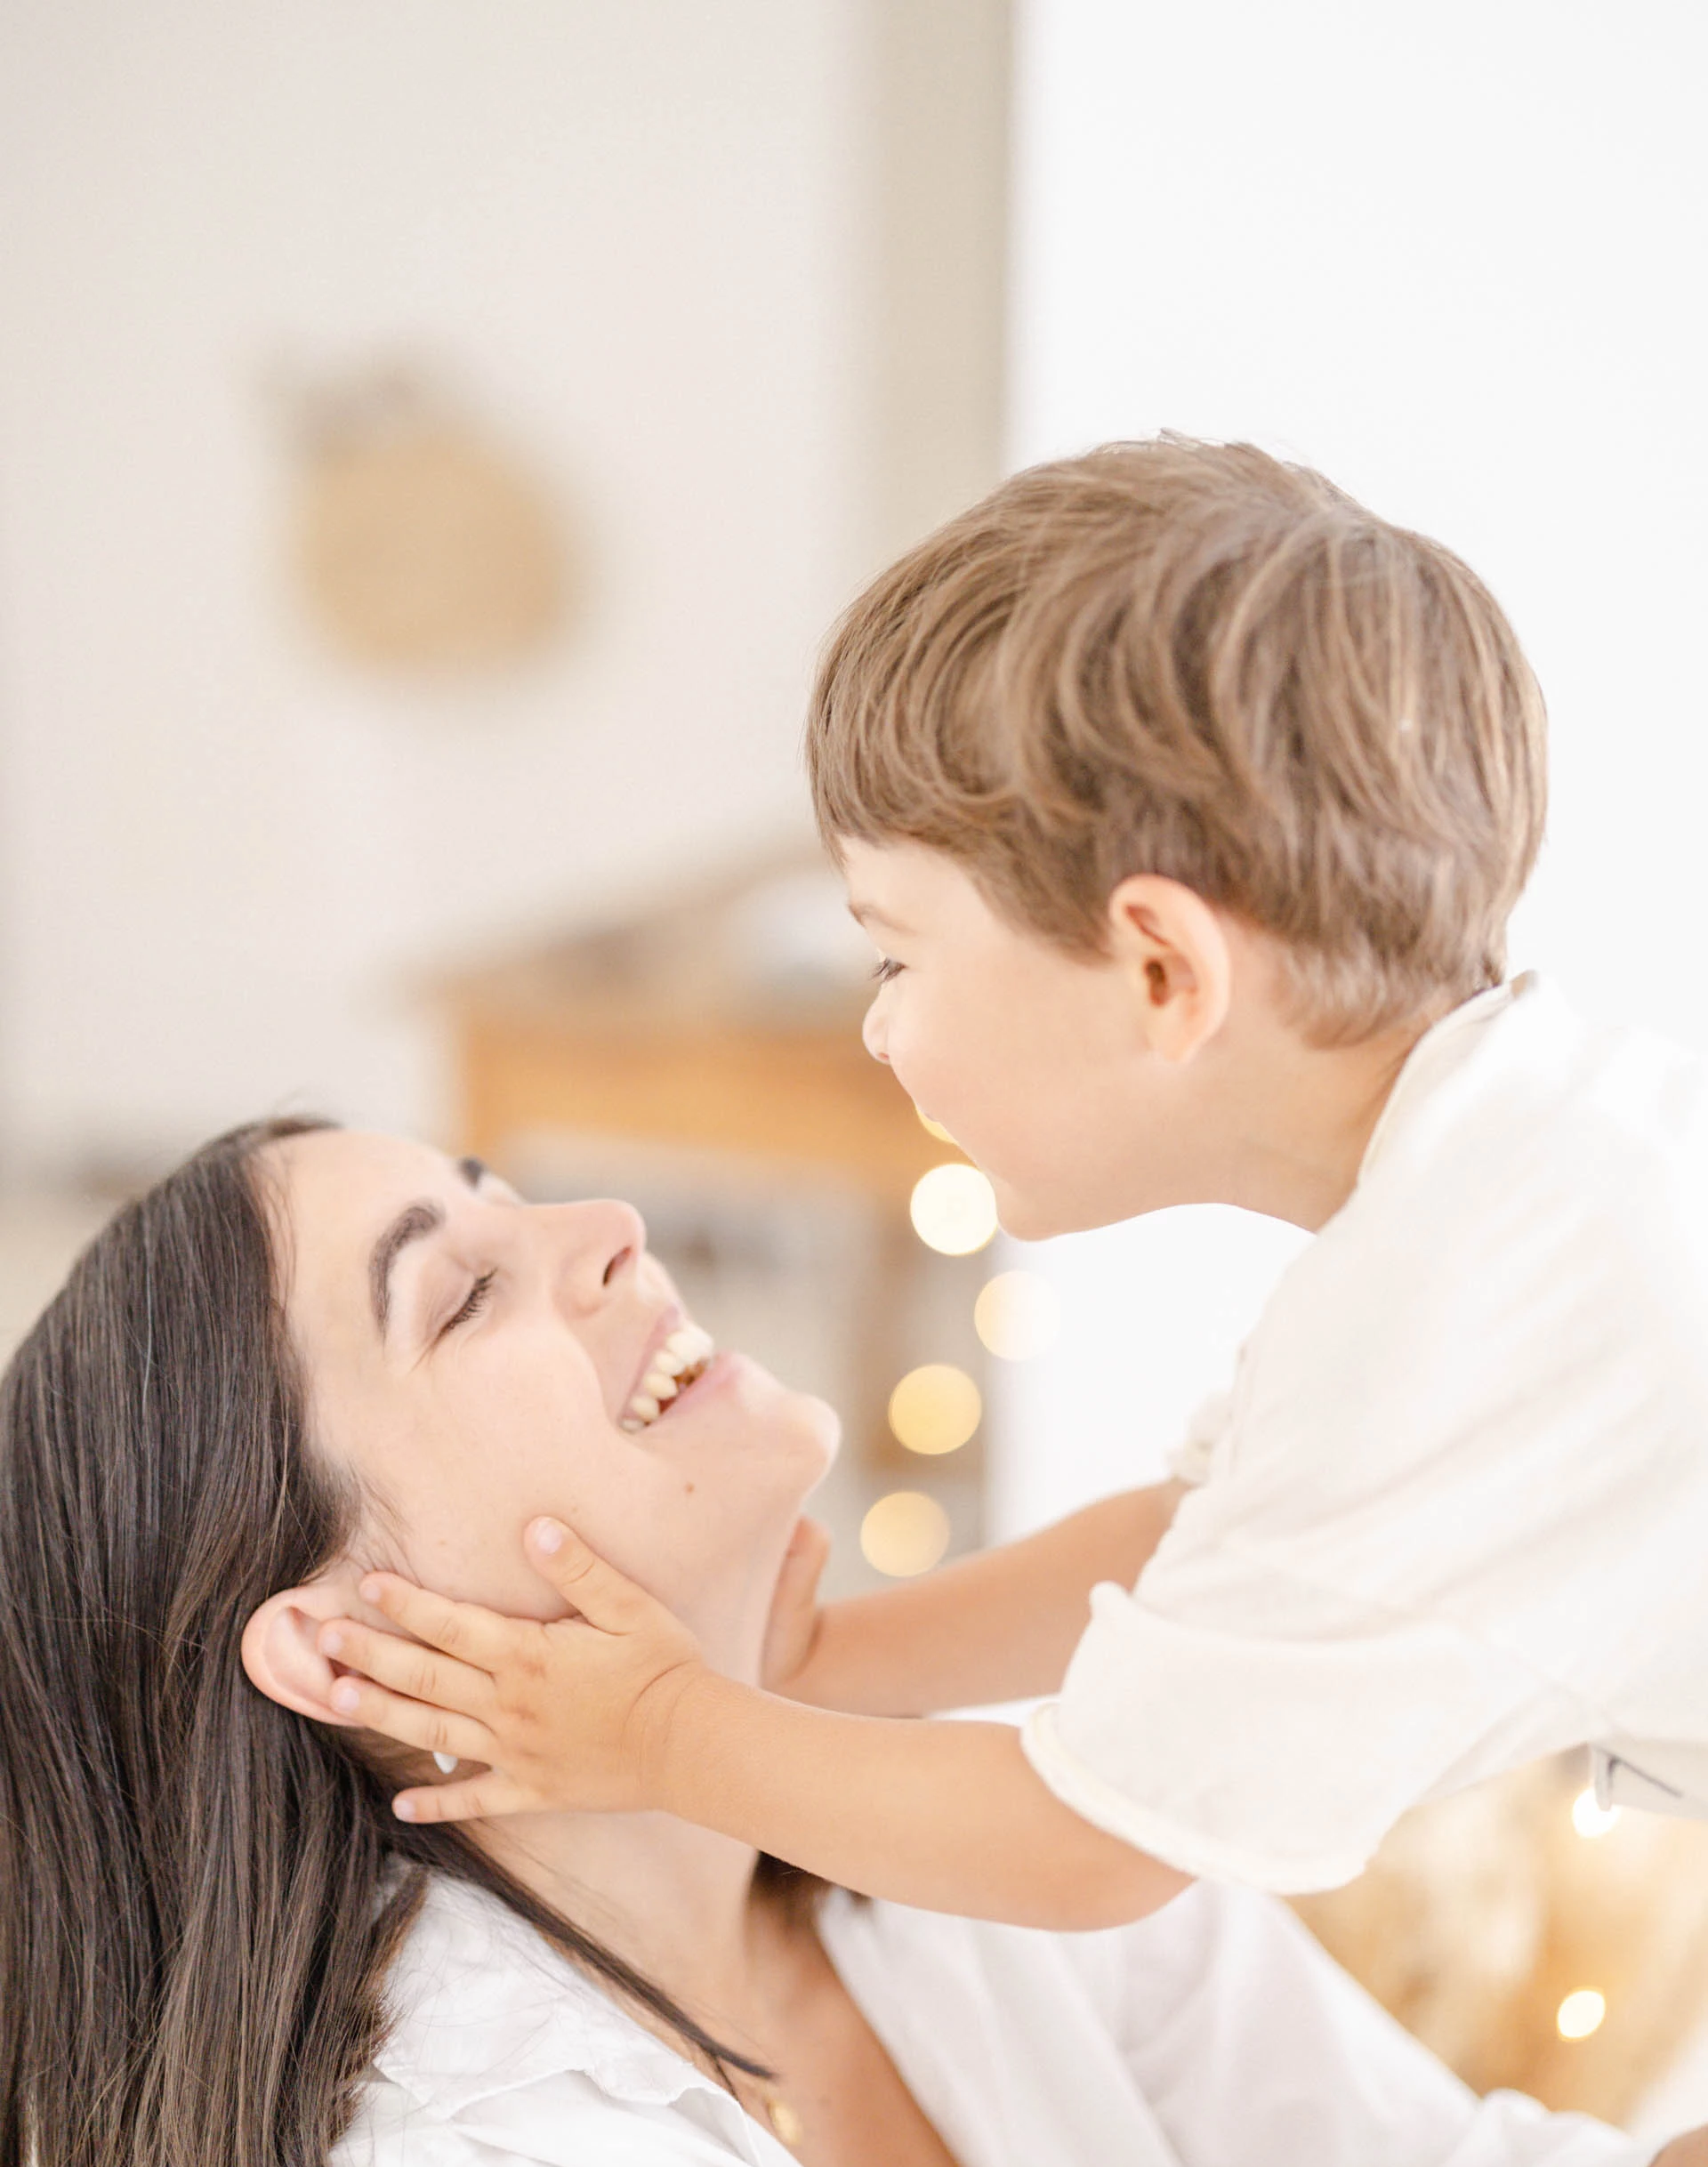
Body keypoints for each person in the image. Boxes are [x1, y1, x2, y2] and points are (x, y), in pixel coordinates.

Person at [3, 1119, 1705, 2167]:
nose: (606, 1232)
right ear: (337, 1638)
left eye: (504, 1194)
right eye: (461, 1295)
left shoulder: (934, 1848)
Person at [322, 438, 1708, 1932]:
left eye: (897, 954)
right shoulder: (1510, 1180)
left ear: (1163, 971)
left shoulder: (1448, 1329)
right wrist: (825, 1662)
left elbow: (1086, 1844)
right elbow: (1200, 1534)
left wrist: (661, 1732)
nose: (877, 1025)